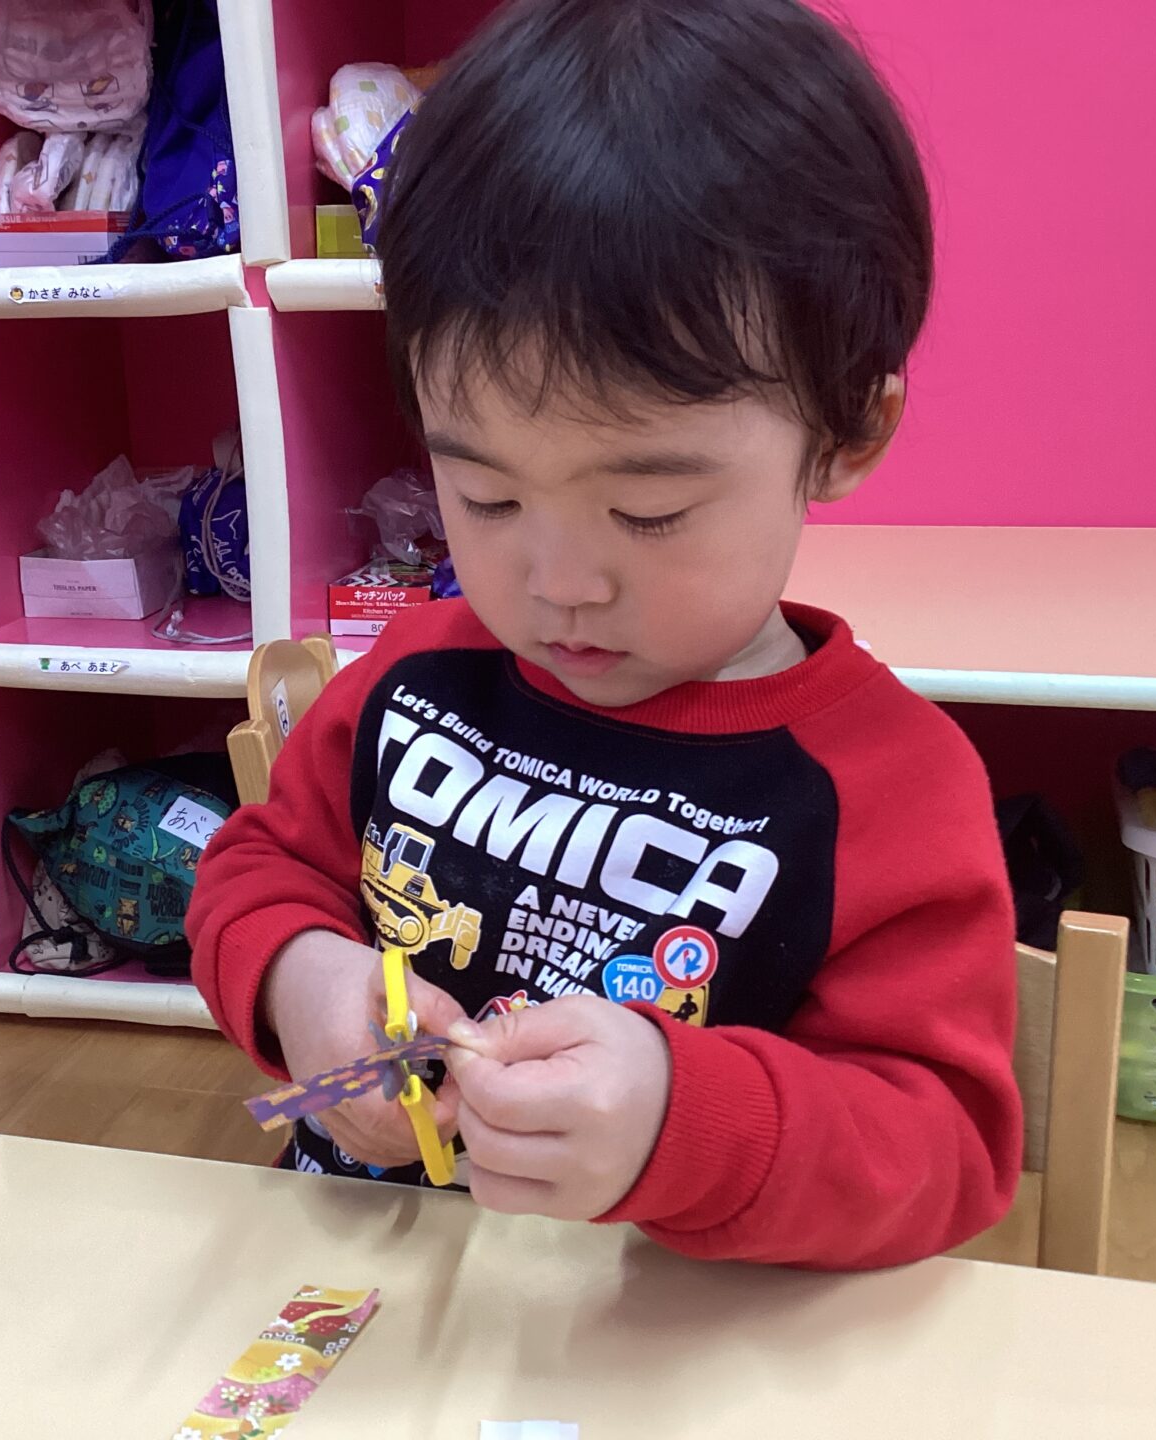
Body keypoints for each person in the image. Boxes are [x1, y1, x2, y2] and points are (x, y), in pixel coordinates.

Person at [190, 0, 1021, 1268]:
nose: (561, 583)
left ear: (848, 432)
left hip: (667, 1335)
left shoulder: (890, 795)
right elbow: (259, 867)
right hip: (374, 1295)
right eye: (487, 496)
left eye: (649, 511)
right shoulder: (420, 677)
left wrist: (685, 1125)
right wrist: (302, 981)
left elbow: (946, 1149)